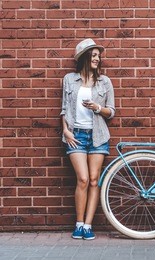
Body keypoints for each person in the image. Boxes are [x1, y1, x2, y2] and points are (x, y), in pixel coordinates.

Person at [60, 38, 115, 240]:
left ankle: (88, 226)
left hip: (98, 136)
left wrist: (97, 108)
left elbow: (112, 112)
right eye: (93, 55)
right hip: (76, 136)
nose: (97, 59)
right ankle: (79, 222)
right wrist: (66, 130)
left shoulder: (105, 82)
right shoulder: (69, 80)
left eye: (98, 56)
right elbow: (64, 109)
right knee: (82, 179)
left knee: (94, 180)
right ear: (84, 57)